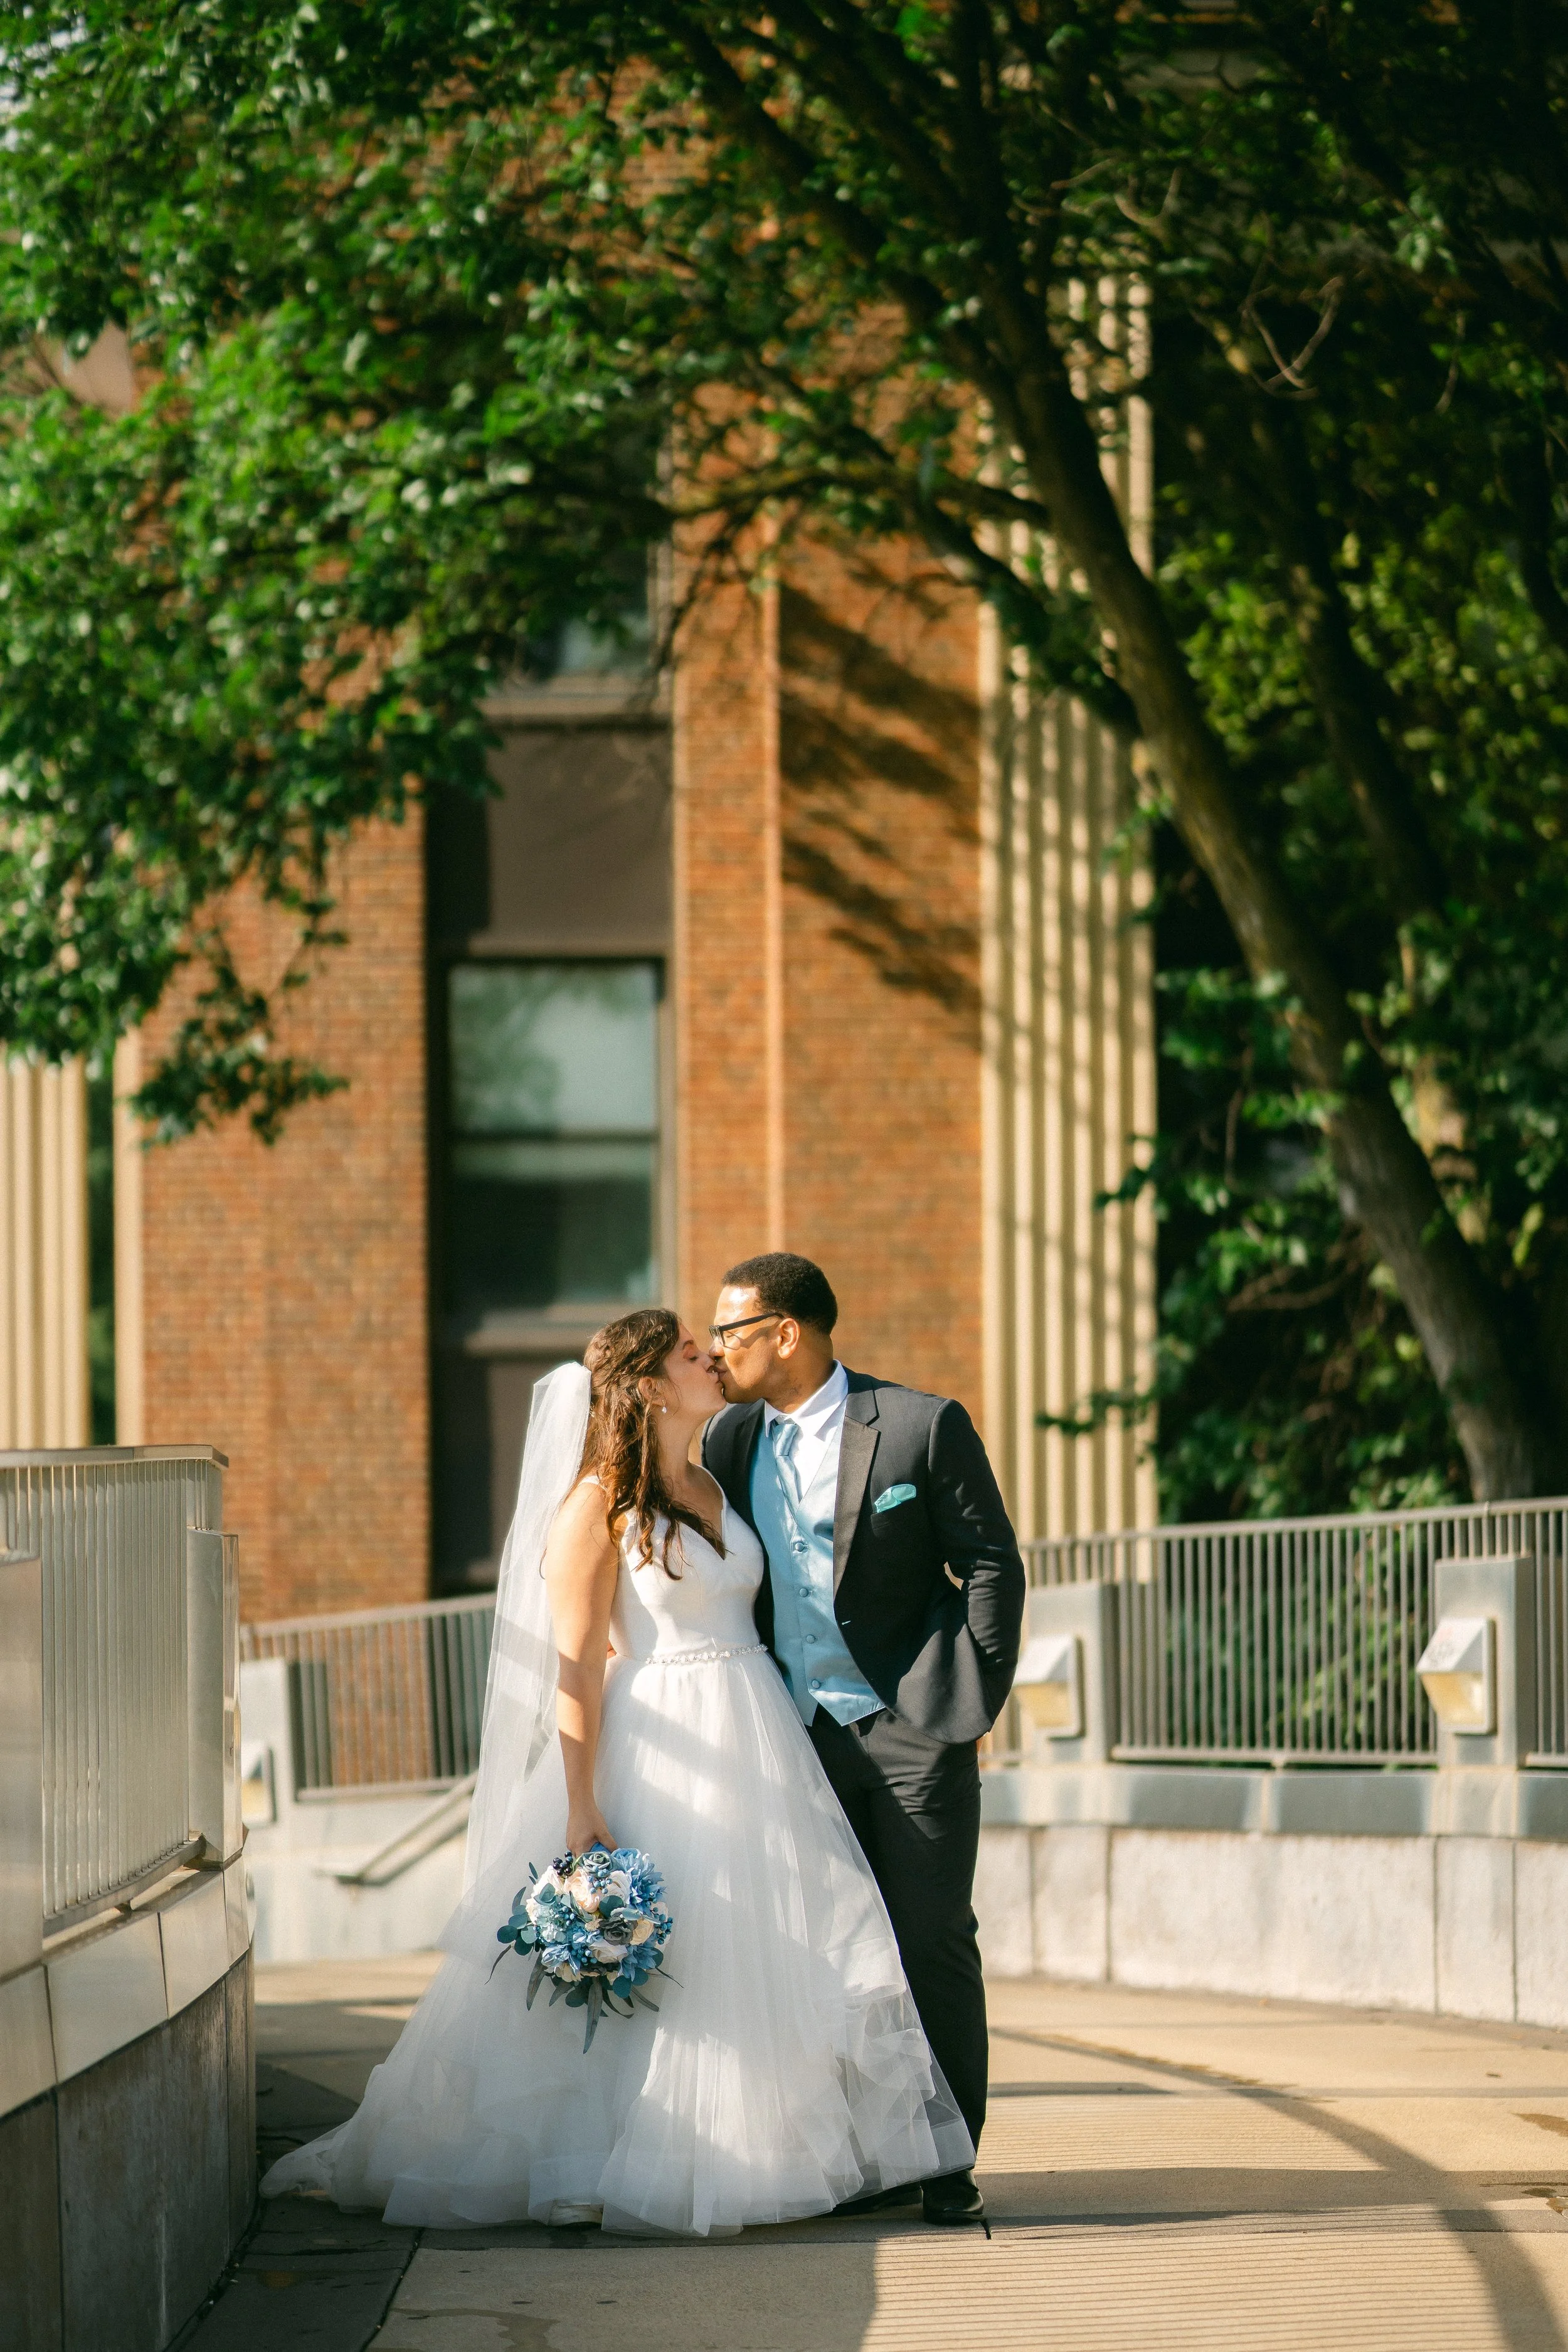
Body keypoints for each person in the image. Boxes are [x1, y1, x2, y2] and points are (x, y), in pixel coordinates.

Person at [258, 1307, 973, 2237]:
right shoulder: (597, 1506)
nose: (711, 1357)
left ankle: (755, 2150)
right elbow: (576, 1667)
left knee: (760, 1951)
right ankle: (610, 2154)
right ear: (642, 1385)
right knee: (671, 1960)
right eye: (689, 1352)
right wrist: (582, 1802)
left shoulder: (718, 1478)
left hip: (757, 1733)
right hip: (662, 1740)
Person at [704, 1253, 1026, 2230]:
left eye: (732, 1332)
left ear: (787, 1332)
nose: (718, 1351)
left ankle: (949, 2160)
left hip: (913, 1731)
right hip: (795, 1740)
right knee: (822, 1956)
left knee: (930, 1941)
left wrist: (972, 1693)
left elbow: (989, 1563)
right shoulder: (727, 1439)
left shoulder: (922, 1425)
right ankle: (859, 2156)